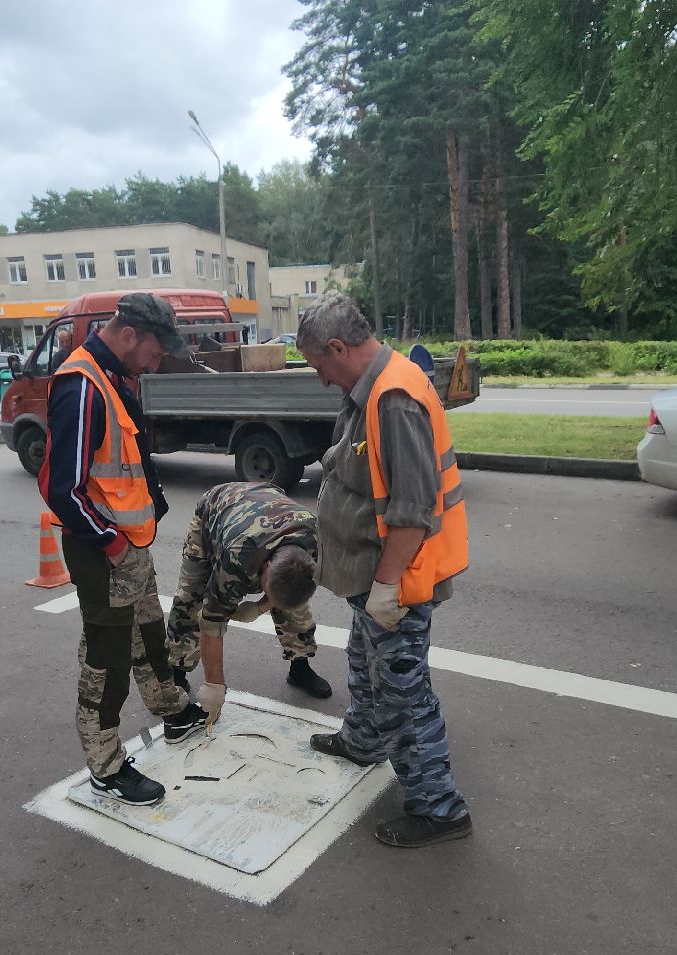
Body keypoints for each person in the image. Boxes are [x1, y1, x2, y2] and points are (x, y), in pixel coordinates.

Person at [296, 293, 472, 848]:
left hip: (398, 580)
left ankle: (439, 809)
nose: (321, 379)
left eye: (319, 365)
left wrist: (388, 587)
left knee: (402, 692)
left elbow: (412, 509)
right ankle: (362, 740)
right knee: (363, 663)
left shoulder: (393, 397)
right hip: (373, 578)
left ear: (338, 347)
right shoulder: (370, 388)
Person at [38, 293, 204, 807]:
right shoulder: (82, 386)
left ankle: (169, 708)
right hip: (103, 548)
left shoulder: (113, 378)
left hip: (129, 544)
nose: (158, 361)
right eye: (156, 350)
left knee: (148, 631)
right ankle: (105, 765)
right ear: (129, 334)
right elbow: (59, 487)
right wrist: (109, 542)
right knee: (106, 658)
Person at [166, 482, 333, 724]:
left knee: (294, 606)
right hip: (216, 509)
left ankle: (300, 668)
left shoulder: (317, 543)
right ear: (265, 567)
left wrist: (261, 606)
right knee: (190, 600)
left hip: (270, 503)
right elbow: (212, 623)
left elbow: (294, 587)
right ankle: (177, 670)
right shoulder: (237, 557)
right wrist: (215, 685)